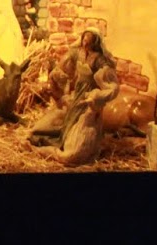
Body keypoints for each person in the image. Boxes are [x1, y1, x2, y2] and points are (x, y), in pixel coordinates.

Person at [30, 28, 119, 164]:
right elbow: (63, 68)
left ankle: (77, 145)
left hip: (88, 99)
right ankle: (62, 139)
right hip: (76, 94)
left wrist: (97, 96)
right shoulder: (77, 53)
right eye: (84, 40)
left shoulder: (99, 60)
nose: (85, 44)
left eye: (88, 42)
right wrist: (56, 78)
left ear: (95, 43)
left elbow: (112, 86)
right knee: (67, 119)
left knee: (82, 127)